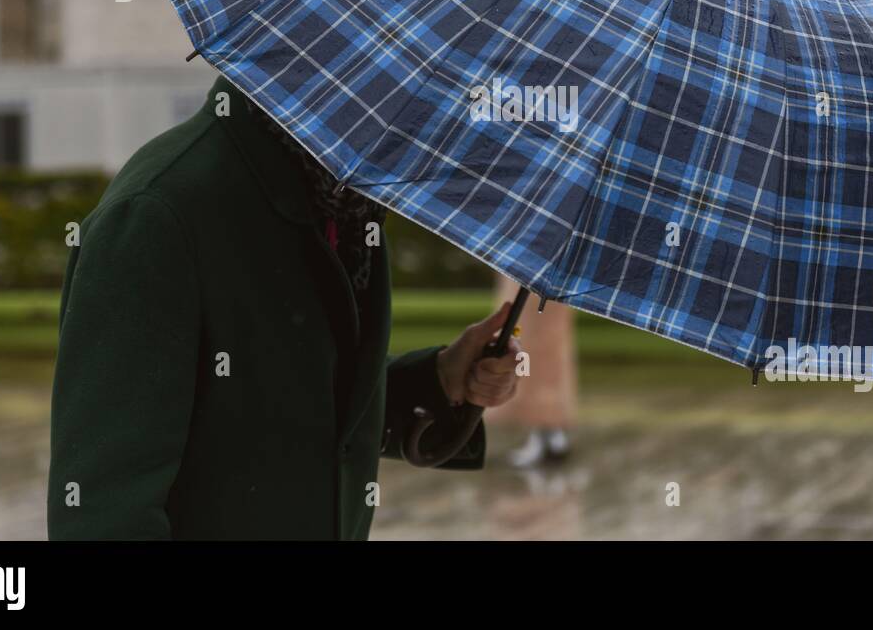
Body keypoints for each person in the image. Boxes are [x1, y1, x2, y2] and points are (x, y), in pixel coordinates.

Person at [47, 76, 520, 540]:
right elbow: (103, 517)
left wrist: (440, 381)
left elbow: (293, 403)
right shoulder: (157, 215)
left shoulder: (339, 200)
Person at [489, 274, 577, 467]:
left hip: (543, 279)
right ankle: (548, 433)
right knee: (531, 346)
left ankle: (548, 431)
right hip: (539, 278)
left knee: (536, 348)